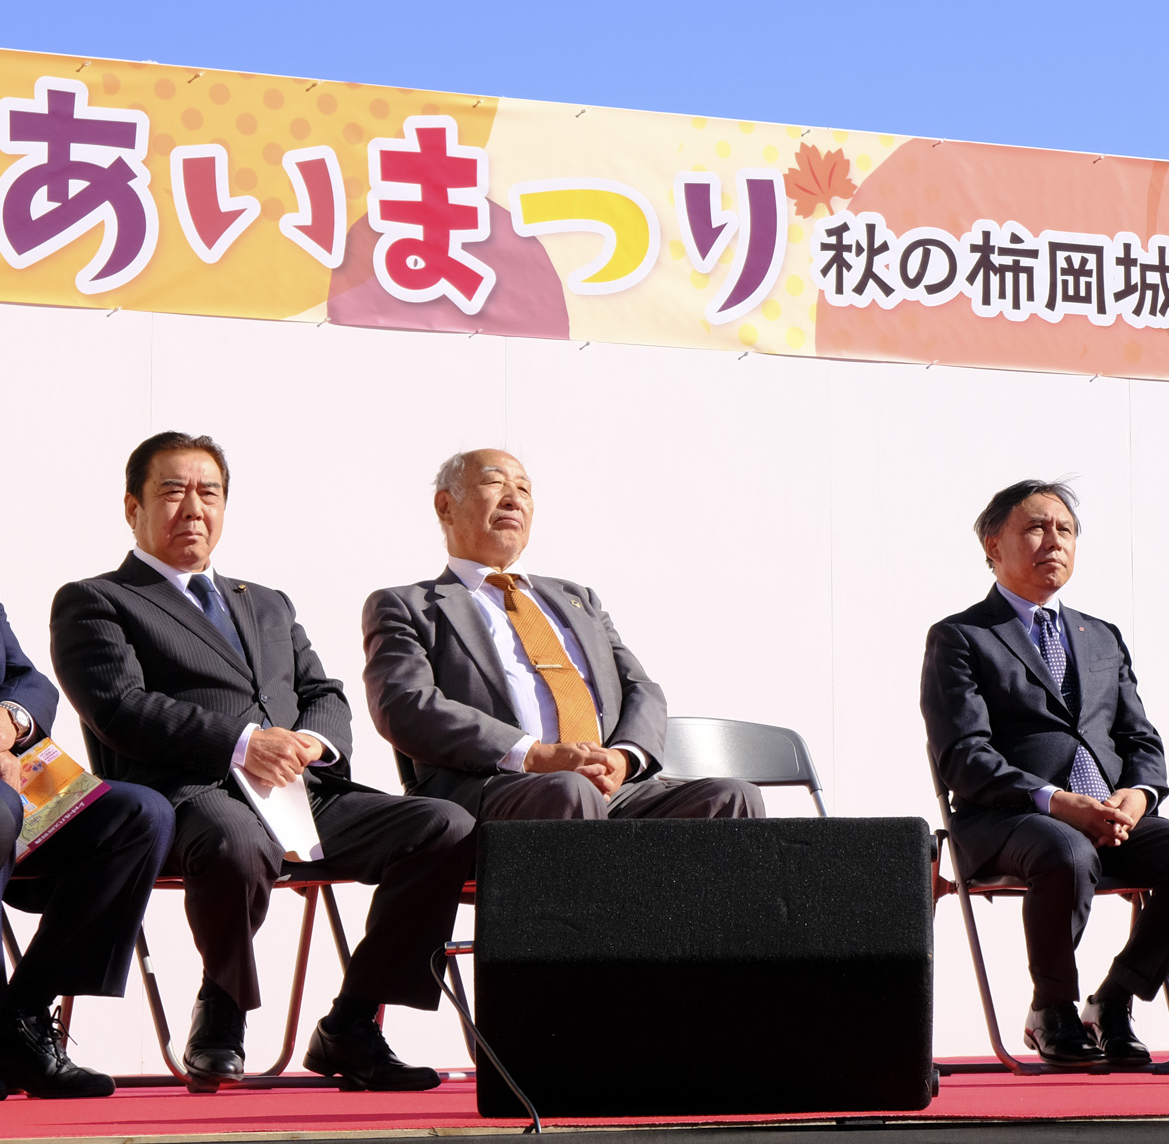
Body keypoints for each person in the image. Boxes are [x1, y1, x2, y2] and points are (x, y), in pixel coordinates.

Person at [51, 432, 476, 1094]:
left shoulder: (265, 601)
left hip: (300, 790)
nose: (194, 507)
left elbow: (323, 693)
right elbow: (122, 707)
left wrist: (314, 742)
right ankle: (222, 1004)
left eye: (209, 493)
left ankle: (353, 1023)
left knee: (445, 826)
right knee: (236, 840)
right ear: (132, 507)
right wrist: (244, 743)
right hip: (190, 791)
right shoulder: (97, 600)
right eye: (173, 491)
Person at [922, 480, 1169, 1071]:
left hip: (1110, 816)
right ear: (994, 543)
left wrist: (1136, 799)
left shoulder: (1101, 635)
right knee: (1065, 850)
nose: (1053, 541)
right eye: (1035, 528)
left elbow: (1141, 740)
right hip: (1007, 820)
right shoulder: (962, 637)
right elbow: (963, 757)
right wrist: (1058, 802)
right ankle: (1052, 1008)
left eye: (1064, 530)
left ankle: (1114, 1000)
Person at [361, 449, 763, 823]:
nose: (513, 498)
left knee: (732, 797)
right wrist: (536, 756)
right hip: (493, 787)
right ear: (445, 506)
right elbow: (406, 706)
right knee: (571, 790)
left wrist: (623, 759)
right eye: (494, 483)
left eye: (524, 489)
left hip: (614, 790)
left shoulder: (576, 599)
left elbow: (640, 688)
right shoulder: (408, 605)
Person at [0, 609, 174, 1099]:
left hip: (14, 779)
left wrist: (11, 720)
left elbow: (24, 676)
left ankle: (23, 1019)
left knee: (140, 814)